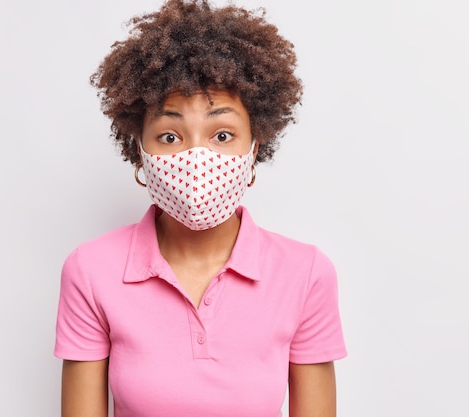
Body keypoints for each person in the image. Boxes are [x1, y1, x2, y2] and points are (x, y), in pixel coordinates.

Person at [54, 0, 347, 416]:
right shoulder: (90, 270)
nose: (196, 158)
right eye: (170, 137)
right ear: (140, 152)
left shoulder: (306, 274)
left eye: (222, 135)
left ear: (254, 147)